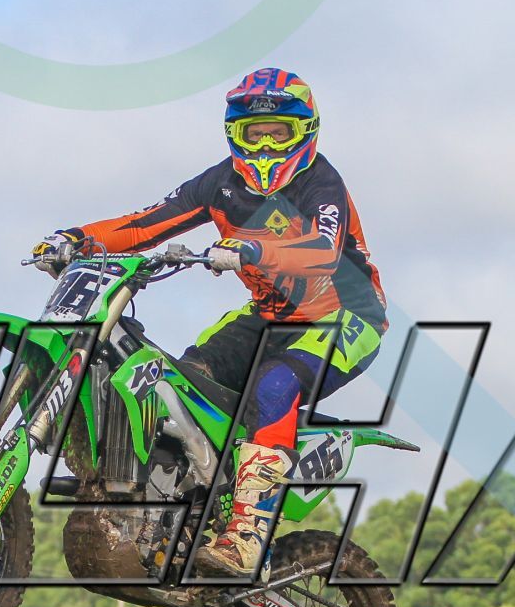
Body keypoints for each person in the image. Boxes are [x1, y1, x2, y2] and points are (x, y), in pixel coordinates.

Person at [31, 67, 388, 577]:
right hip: (268, 312)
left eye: (278, 133)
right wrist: (78, 238)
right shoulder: (221, 182)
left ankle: (248, 535)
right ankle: (181, 499)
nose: (265, 146)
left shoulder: (321, 183)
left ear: (305, 131)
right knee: (181, 382)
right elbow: (146, 222)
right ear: (234, 134)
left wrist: (253, 248)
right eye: (253, 134)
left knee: (274, 386)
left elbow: (322, 252)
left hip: (343, 316)